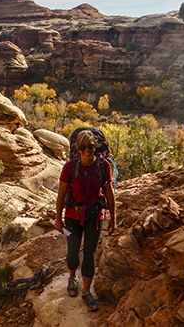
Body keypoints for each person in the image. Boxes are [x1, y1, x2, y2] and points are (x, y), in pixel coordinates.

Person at [54, 129, 117, 311]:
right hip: (73, 216)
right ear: (77, 148)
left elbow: (109, 194)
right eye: (83, 147)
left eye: (90, 146)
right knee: (73, 252)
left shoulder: (103, 166)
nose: (87, 150)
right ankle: (72, 278)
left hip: (95, 217)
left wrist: (113, 219)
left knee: (89, 253)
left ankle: (87, 292)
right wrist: (58, 219)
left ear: (95, 147)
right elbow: (61, 195)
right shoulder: (70, 167)